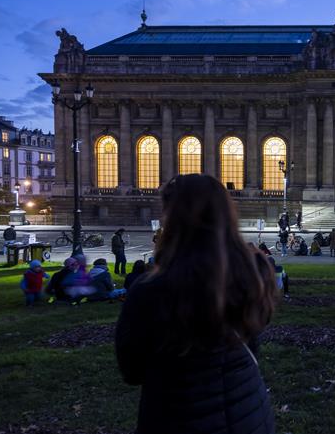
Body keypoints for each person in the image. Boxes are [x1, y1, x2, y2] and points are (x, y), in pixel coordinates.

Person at [115, 174, 276, 434]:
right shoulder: (255, 274)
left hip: (178, 416)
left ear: (173, 218)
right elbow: (252, 341)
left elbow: (132, 371)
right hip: (247, 411)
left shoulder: (149, 291)